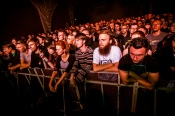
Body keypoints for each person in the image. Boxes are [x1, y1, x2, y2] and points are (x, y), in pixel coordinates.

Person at [118, 37, 160, 116]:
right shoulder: (124, 60)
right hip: (127, 96)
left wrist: (132, 74)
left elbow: (151, 86)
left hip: (147, 98)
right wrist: (144, 76)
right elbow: (126, 81)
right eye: (132, 54)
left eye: (139, 55)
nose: (135, 58)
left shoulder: (152, 62)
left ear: (147, 52)